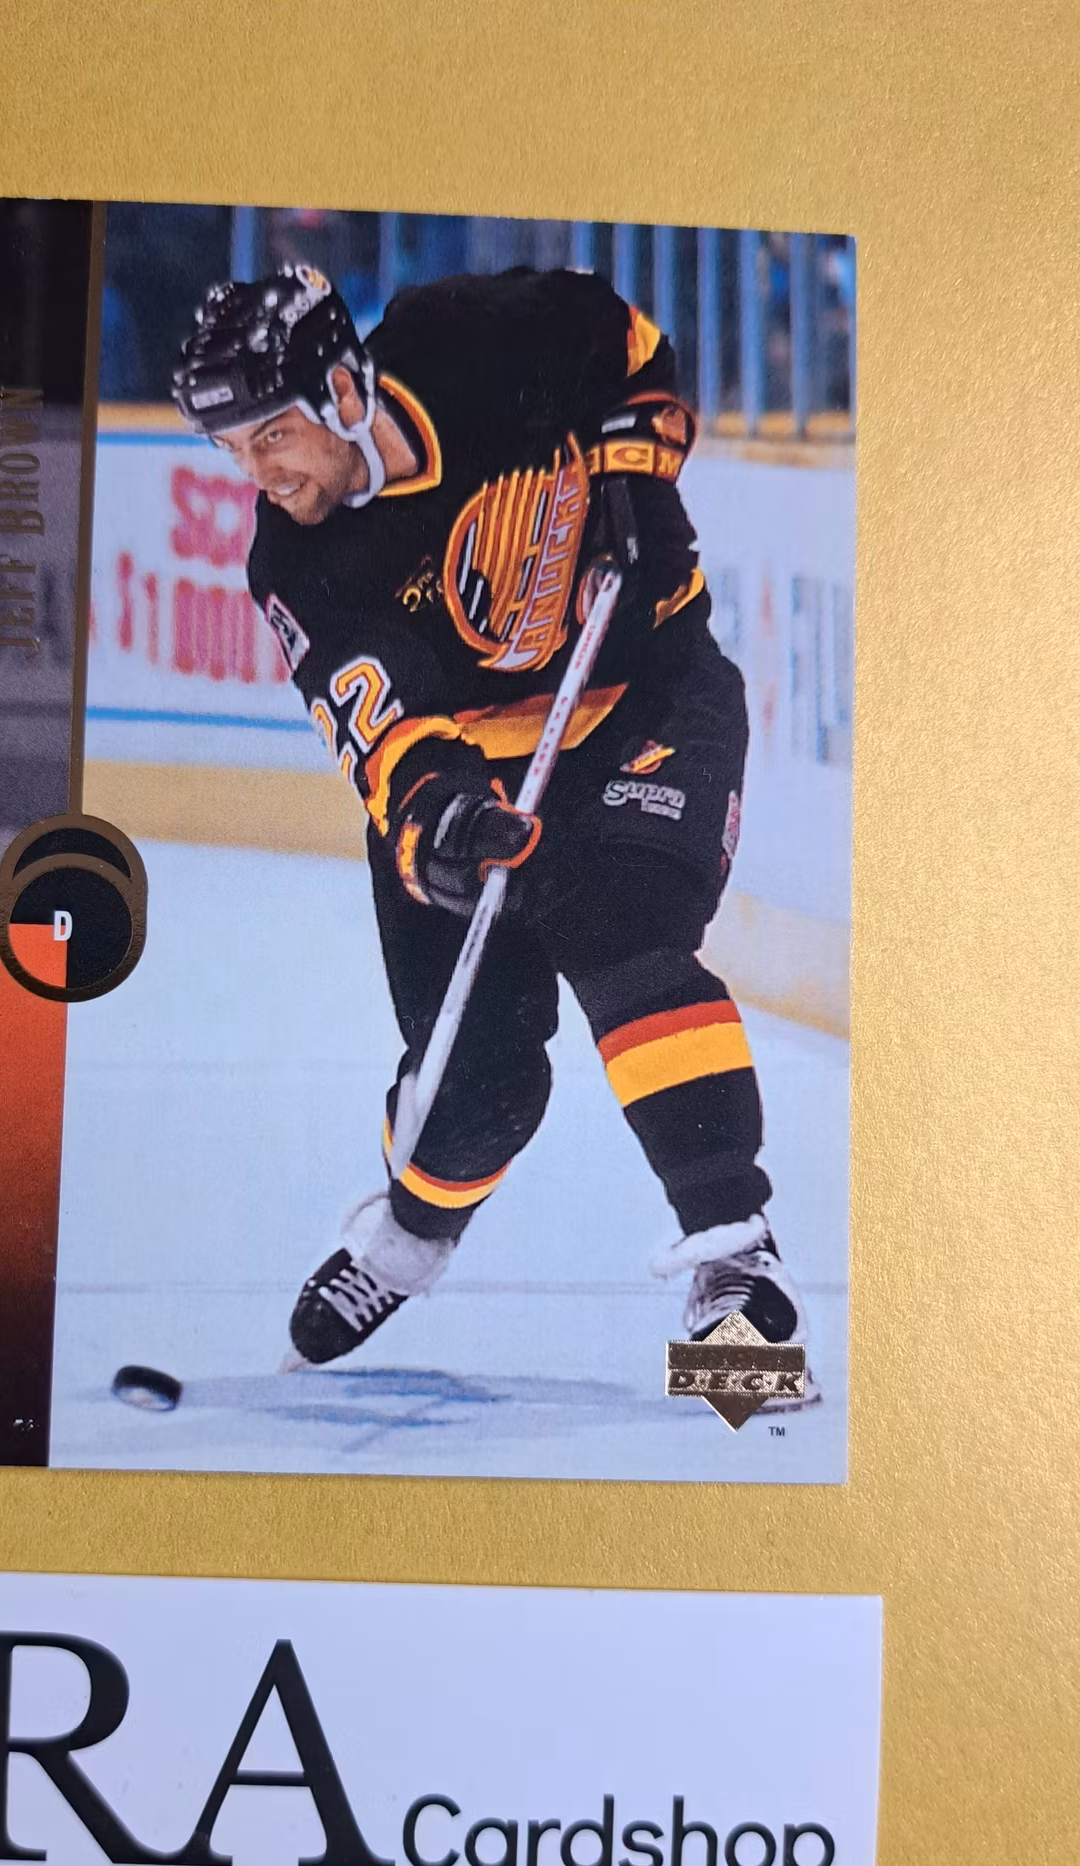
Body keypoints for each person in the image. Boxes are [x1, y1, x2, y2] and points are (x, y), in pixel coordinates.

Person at [173, 262, 805, 1376]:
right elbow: (384, 732)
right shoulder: (297, 561)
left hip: (650, 702)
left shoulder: (470, 337)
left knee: (621, 928)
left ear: (341, 389)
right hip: (479, 780)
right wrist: (447, 826)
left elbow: (628, 344)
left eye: (272, 434)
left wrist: (632, 468)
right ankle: (408, 1234)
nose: (258, 473)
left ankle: (737, 1276)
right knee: (478, 1085)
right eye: (232, 449)